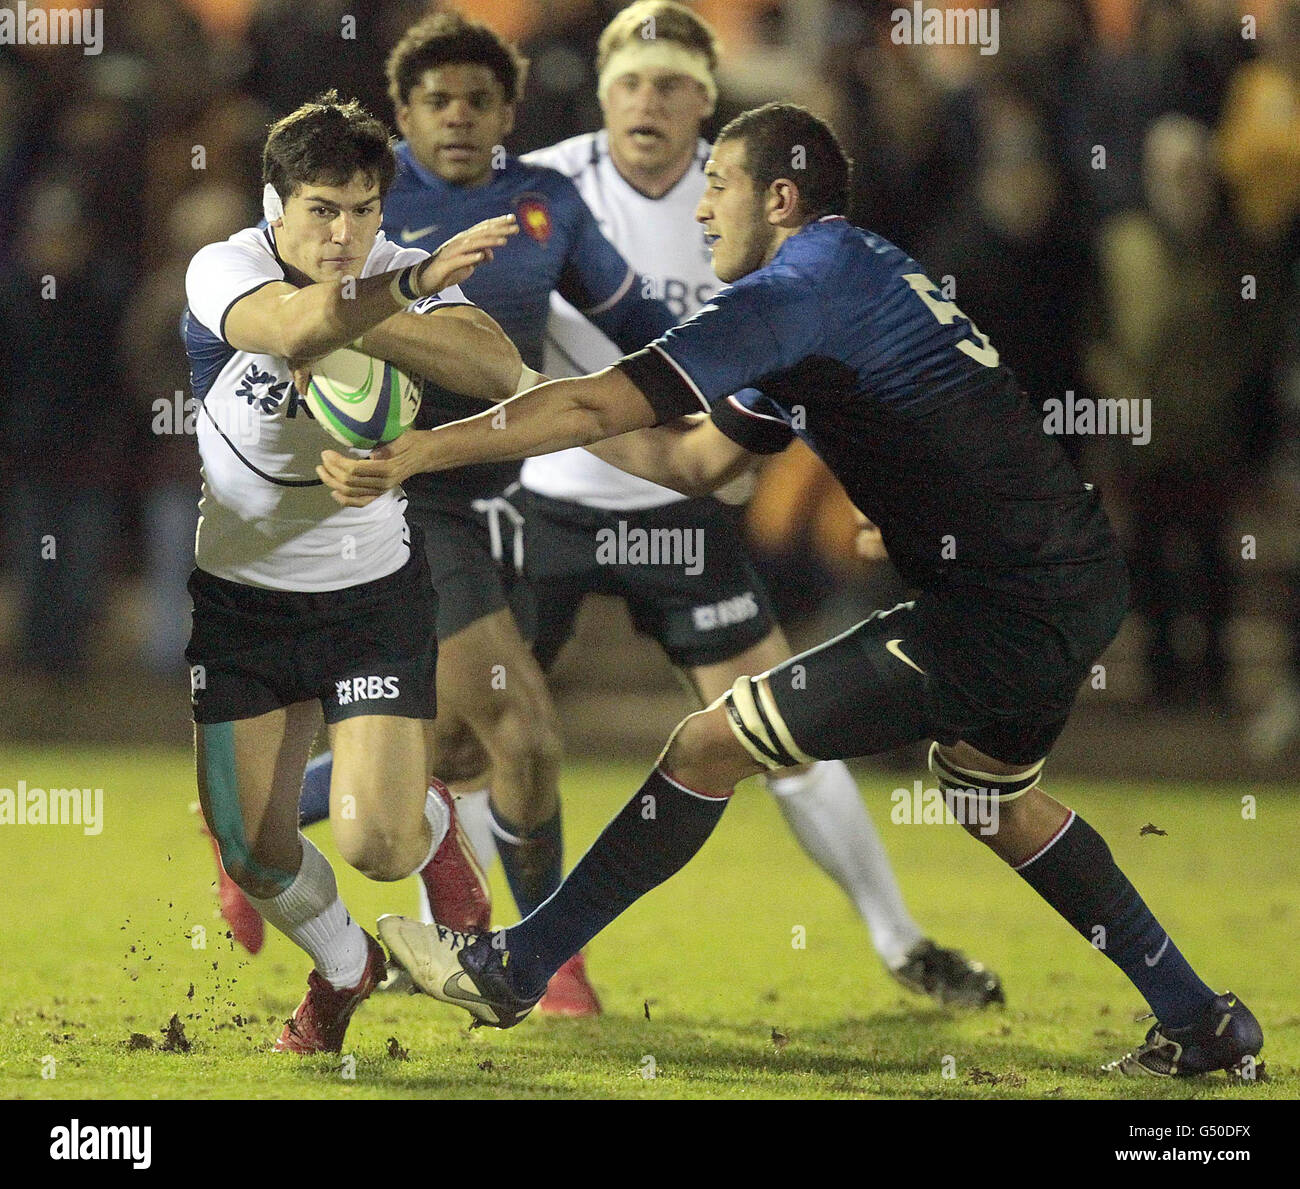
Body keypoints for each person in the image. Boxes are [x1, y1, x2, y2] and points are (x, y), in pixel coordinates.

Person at [321, 103, 1264, 1079]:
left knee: (705, 741)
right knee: (989, 797)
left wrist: (430, 446)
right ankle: (1202, 1021)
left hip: (1000, 605)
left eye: (717, 186)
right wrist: (519, 379)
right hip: (1066, 579)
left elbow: (606, 401)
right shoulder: (850, 272)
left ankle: (514, 966)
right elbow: (689, 459)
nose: (700, 214)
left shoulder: (797, 289)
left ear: (778, 195)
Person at [509, 0, 1001, 1006]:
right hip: (545, 498)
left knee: (776, 728)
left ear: (707, 97)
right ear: (602, 90)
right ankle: (545, 951)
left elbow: (816, 358)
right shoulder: (540, 192)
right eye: (630, 80)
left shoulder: (742, 204)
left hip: (679, 510)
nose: (648, 98)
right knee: (482, 733)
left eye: (671, 82)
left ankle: (902, 939)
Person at [285, 10, 677, 1015]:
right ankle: (546, 963)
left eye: (477, 101)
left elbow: (637, 324)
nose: (456, 117)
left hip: (512, 498)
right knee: (526, 735)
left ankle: (257, 811)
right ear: (402, 112)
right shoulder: (361, 202)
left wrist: (733, 363)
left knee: (456, 750)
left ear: (507, 112)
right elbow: (293, 325)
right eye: (435, 101)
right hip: (407, 500)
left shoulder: (543, 203)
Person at [184, 91, 521, 1055]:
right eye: (323, 210)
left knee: (378, 845)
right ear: (274, 205)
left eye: (365, 211)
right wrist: (397, 303)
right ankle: (344, 970)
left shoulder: (395, 270)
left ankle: (426, 810)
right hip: (242, 600)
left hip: (368, 595)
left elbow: (495, 369)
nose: (345, 233)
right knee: (250, 849)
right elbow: (291, 330)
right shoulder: (226, 264)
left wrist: (398, 307)